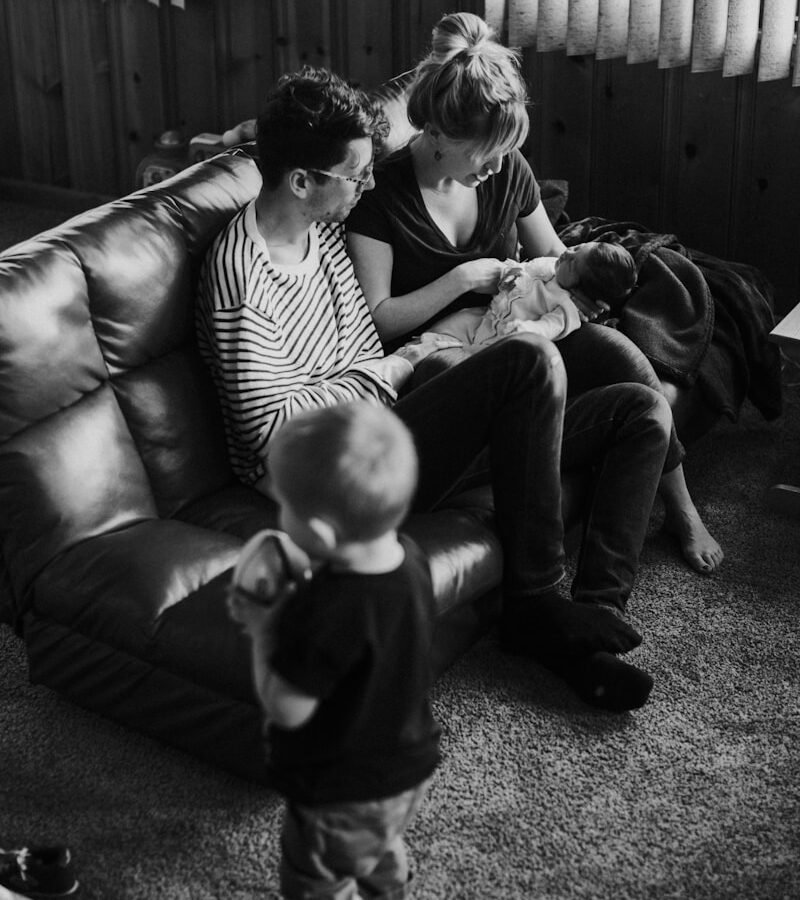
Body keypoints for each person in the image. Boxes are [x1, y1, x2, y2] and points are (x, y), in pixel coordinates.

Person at [197, 64, 672, 715]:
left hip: (386, 430)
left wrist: (373, 376)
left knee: (641, 410)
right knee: (528, 364)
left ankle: (589, 628)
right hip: (332, 480)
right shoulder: (240, 280)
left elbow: (364, 355)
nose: (367, 184)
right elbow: (270, 436)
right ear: (303, 180)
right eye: (356, 174)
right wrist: (379, 376)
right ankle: (535, 605)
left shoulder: (322, 232)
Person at [346, 11, 723, 576]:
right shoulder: (381, 198)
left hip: (521, 322)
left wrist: (579, 291)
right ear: (438, 135)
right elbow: (379, 319)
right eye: (487, 152)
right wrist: (460, 280)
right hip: (448, 357)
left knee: (618, 353)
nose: (498, 166)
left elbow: (551, 255)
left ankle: (681, 507)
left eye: (506, 151)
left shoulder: (506, 171)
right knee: (458, 365)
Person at [227, 402, 439, 898]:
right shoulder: (411, 560)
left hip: (340, 791)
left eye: (283, 504)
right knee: (380, 845)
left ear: (322, 532)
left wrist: (263, 630)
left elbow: (287, 708)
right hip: (407, 766)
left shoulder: (322, 612)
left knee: (318, 876)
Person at [428, 241, 636, 347]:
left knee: (453, 352)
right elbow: (525, 270)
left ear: (581, 290)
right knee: (447, 327)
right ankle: (404, 359)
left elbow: (547, 328)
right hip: (488, 317)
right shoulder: (551, 269)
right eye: (576, 247)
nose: (567, 252)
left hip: (501, 340)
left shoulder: (567, 310)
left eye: (573, 263)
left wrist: (525, 329)